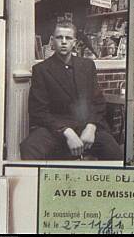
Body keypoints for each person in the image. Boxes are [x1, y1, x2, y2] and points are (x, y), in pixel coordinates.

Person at [20, 20, 123, 160]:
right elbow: (38, 111)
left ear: (74, 42)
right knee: (29, 147)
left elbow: (98, 102)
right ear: (52, 41)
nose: (63, 42)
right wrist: (66, 131)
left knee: (114, 152)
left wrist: (91, 127)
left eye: (68, 38)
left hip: (86, 125)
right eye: (59, 37)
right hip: (55, 129)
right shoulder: (41, 70)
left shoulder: (87, 66)